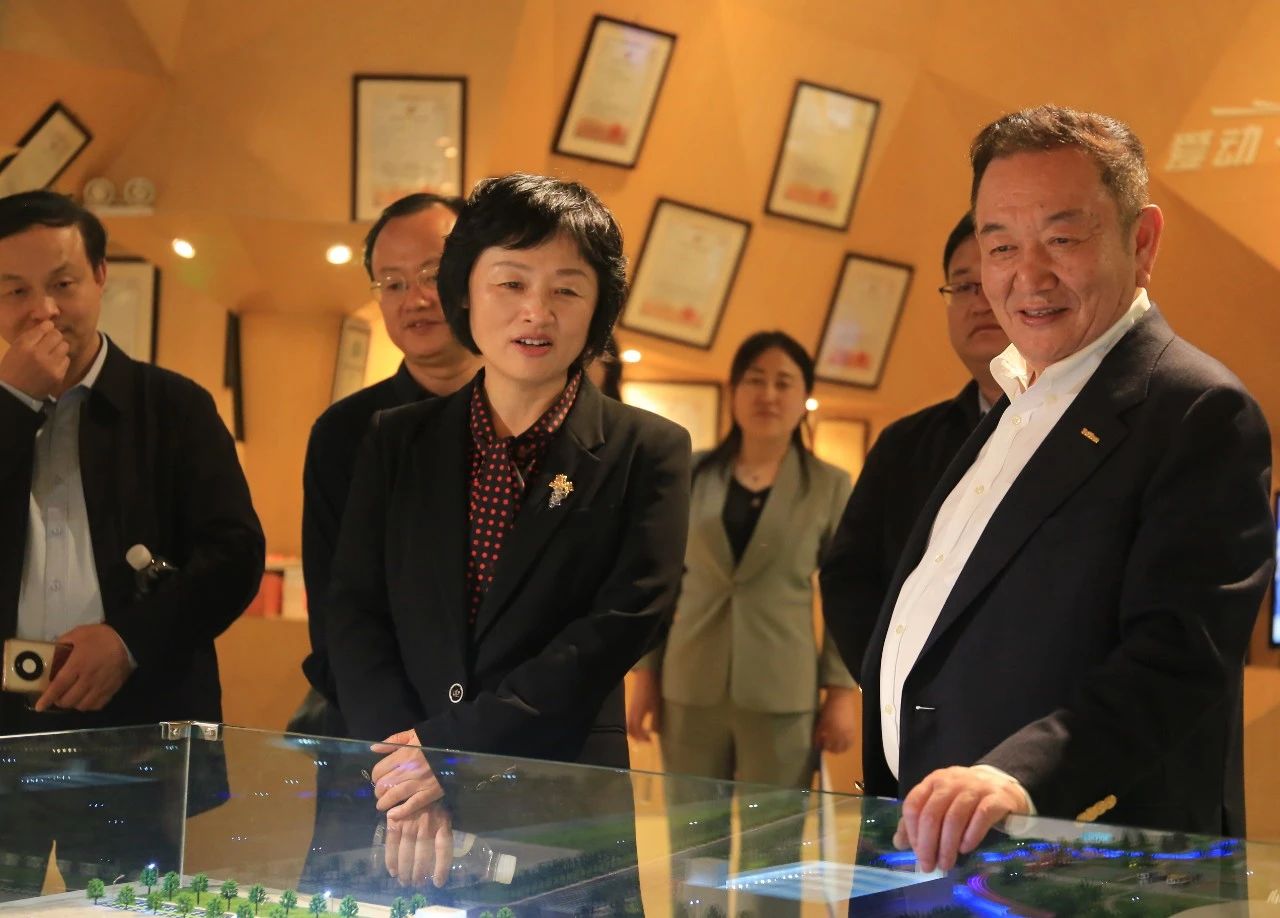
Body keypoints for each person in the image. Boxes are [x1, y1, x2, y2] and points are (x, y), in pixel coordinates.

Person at [852, 105, 1272, 874]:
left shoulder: (1197, 412)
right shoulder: (1015, 399)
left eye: (1063, 239)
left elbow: (1179, 657)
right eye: (1000, 246)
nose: (1028, 275)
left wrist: (1018, 777)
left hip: (1076, 869)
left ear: (1142, 242)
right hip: (927, 849)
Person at [327, 173, 691, 889]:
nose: (537, 312)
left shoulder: (648, 451)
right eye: (511, 283)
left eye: (566, 289)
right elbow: (354, 611)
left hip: (559, 802)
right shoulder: (395, 439)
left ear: (599, 307)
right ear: (466, 291)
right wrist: (405, 764)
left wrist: (446, 756)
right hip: (398, 803)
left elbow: (619, 625)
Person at [0, 190, 264, 886]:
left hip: (135, 728)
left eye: (62, 284)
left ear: (100, 277)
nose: (42, 310)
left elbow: (235, 554)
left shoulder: (174, 406)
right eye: (15, 290)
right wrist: (12, 404)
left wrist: (128, 639)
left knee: (125, 907)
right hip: (2, 722)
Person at [296, 192, 480, 739]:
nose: (415, 299)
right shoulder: (344, 432)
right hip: (376, 735)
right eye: (393, 284)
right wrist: (399, 743)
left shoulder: (529, 417)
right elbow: (335, 611)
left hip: (507, 737)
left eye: (432, 275)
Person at [820, 212, 1008, 680]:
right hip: (919, 708)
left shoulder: (1083, 430)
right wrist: (891, 683)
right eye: (963, 286)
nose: (979, 302)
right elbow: (849, 579)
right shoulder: (904, 446)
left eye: (992, 280)